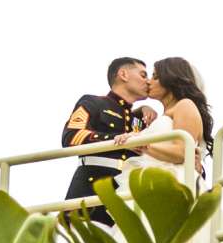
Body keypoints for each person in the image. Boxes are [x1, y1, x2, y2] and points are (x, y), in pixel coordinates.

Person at [62, 57, 157, 220]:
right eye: (143, 75)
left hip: (128, 194)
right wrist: (117, 141)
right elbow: (72, 136)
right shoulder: (94, 102)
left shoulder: (140, 118)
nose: (148, 81)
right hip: (92, 189)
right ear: (123, 74)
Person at [122, 56, 213, 192]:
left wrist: (142, 144)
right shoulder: (161, 115)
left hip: (174, 182)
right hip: (151, 180)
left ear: (171, 80)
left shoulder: (185, 105)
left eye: (155, 77)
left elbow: (183, 152)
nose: (149, 82)